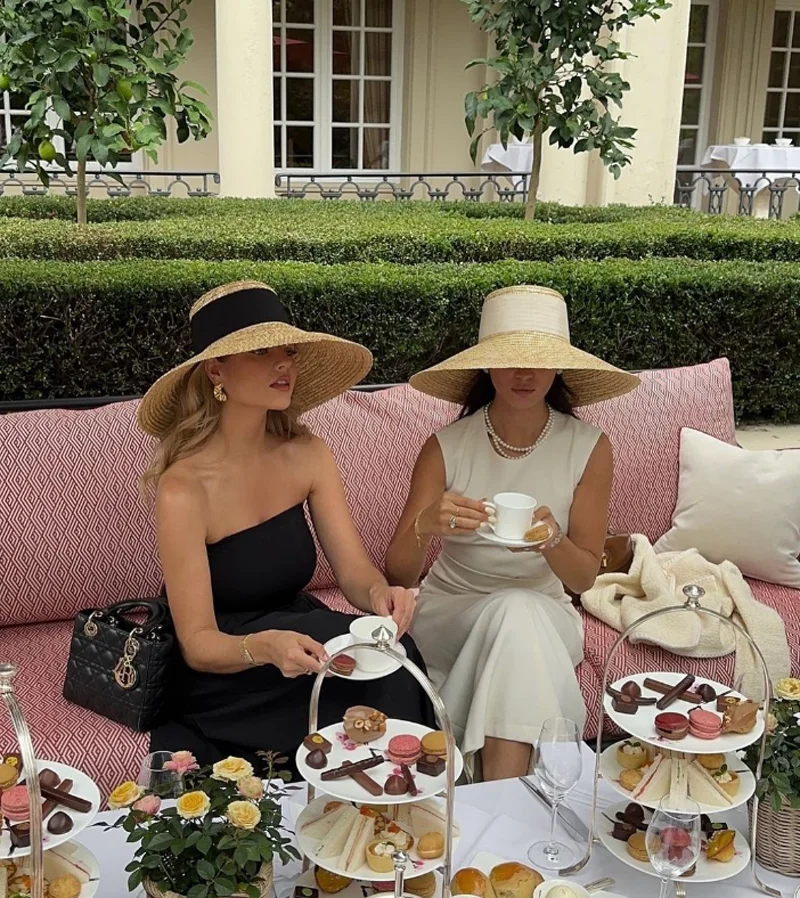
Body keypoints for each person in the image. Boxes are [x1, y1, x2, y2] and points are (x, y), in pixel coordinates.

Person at [137, 280, 434, 773]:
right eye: (261, 352)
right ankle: (355, 819)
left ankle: (395, 817)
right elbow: (199, 645)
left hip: (298, 636)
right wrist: (267, 648)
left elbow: (354, 571)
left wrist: (383, 594)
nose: (284, 365)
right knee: (365, 677)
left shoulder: (308, 454)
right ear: (216, 370)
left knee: (390, 652)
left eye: (289, 351)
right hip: (231, 664)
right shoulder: (184, 488)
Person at [385, 285, 640, 782]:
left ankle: (485, 794)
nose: (524, 374)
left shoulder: (589, 447)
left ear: (559, 366)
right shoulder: (445, 446)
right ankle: (517, 806)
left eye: (539, 360)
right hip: (451, 611)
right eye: (509, 359)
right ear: (486, 365)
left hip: (545, 613)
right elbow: (398, 572)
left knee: (518, 612)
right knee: (511, 615)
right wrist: (426, 524)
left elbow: (585, 579)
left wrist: (551, 540)